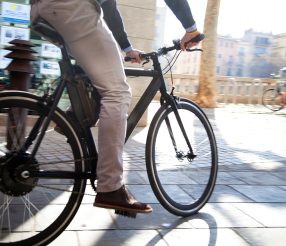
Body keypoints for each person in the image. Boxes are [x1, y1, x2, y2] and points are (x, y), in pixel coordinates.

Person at [30, 0, 201, 215]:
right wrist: (191, 29)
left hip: (42, 9)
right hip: (72, 7)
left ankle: (74, 119)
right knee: (118, 93)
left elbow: (107, 5)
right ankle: (111, 186)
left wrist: (127, 49)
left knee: (95, 74)